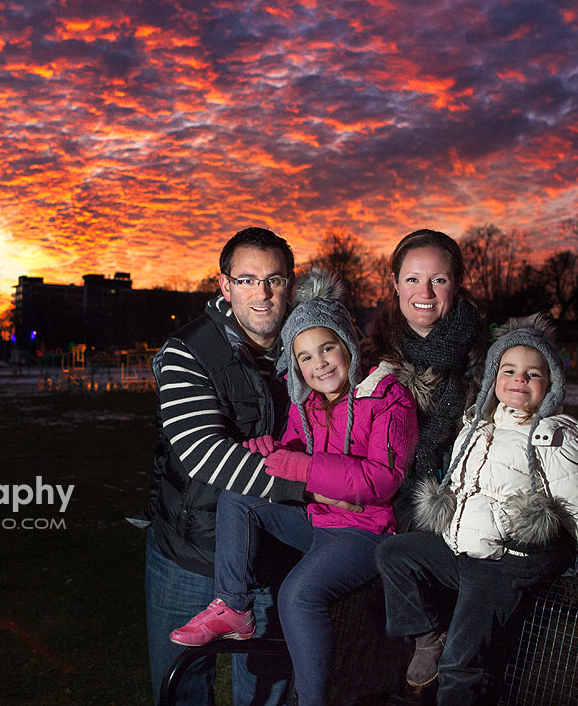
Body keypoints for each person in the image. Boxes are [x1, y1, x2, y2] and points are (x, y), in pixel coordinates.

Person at [375, 314, 578, 704]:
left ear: (551, 385)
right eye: (509, 370)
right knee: (393, 554)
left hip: (502, 564)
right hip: (462, 549)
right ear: (493, 377)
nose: (519, 380)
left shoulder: (553, 438)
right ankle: (428, 637)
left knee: (460, 663)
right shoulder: (478, 425)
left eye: (533, 374)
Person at [169, 269, 419, 706]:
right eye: (305, 357)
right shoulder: (306, 401)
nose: (319, 363)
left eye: (327, 349)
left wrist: (300, 466)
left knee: (298, 594)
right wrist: (273, 450)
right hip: (318, 519)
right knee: (240, 493)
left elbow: (381, 480)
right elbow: (292, 450)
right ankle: (233, 606)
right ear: (294, 364)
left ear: (348, 347)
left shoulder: (388, 398)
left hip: (365, 532)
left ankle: (312, 700)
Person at [144, 227, 304, 706]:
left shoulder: (310, 348)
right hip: (191, 551)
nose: (262, 293)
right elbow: (203, 451)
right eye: (248, 279)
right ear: (224, 285)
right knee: (182, 690)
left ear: (290, 284)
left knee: (267, 694)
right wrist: (309, 488)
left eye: (274, 279)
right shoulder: (187, 351)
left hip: (274, 557)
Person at [366, 229, 484, 531]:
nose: (425, 293)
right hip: (383, 508)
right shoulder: (368, 357)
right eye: (413, 279)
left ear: (455, 285)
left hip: (471, 505)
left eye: (439, 280)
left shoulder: (489, 359)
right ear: (395, 283)